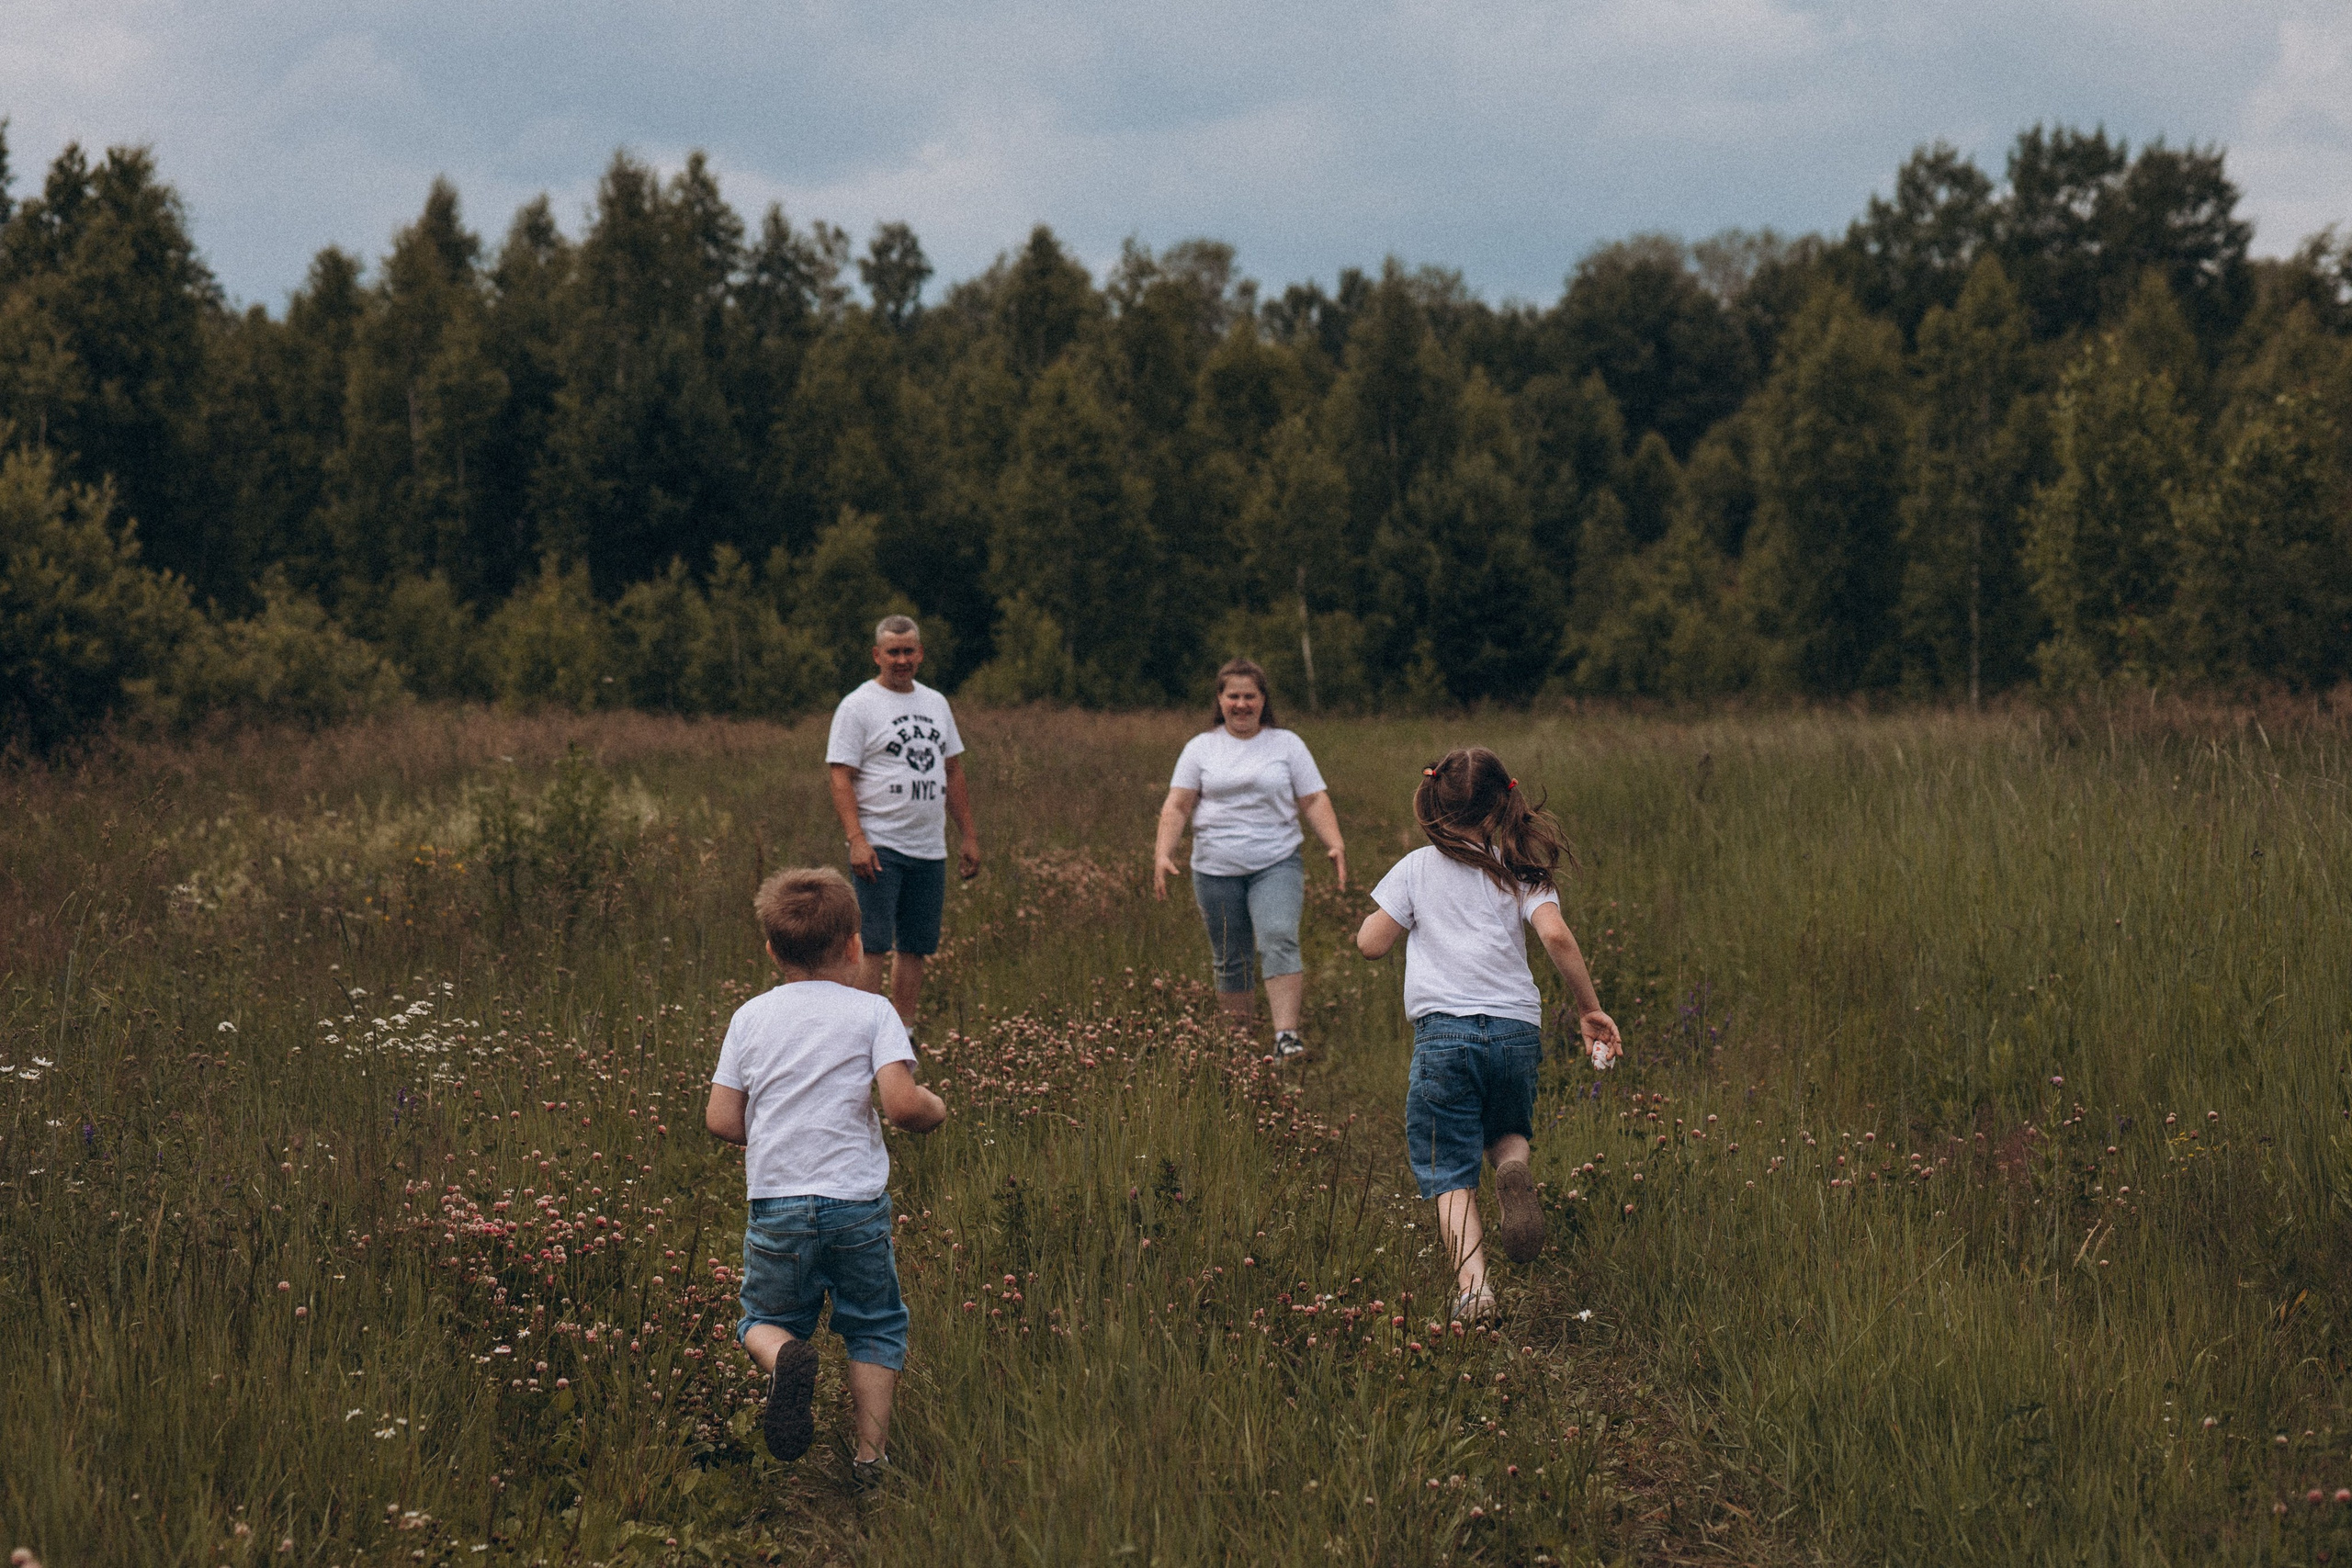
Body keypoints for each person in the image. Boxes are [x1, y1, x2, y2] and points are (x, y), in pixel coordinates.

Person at [1354, 746, 1621, 1325]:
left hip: (1444, 1037)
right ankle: (1512, 1168)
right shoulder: (1521, 869)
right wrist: (1589, 1009)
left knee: (1448, 1164)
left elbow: (1372, 944)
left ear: (1434, 804)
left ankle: (1475, 1292)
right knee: (1507, 1129)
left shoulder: (1415, 868)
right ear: (1502, 807)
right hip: (1515, 1032)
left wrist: (1386, 917)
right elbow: (1556, 937)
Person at [705, 866, 948, 1489]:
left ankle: (784, 1355)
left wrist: (775, 1133)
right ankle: (870, 1462)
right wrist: (934, 1108)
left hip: (777, 1204)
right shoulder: (874, 1012)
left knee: (761, 1318)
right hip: (855, 1207)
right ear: (855, 946)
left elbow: (721, 1118)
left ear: (771, 950)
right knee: (873, 1323)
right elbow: (901, 1105)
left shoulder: (749, 1017)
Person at [1154, 658, 1346, 1061]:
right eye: (1233, 696)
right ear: (1220, 700)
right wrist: (1163, 853)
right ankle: (1238, 1045)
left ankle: (1286, 1037)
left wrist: (1334, 843)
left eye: (1250, 696)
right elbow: (1178, 804)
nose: (1241, 704)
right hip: (1214, 868)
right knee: (1230, 955)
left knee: (1278, 936)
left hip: (1276, 861)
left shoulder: (1287, 744)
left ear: (1263, 700)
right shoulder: (1201, 747)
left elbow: (1313, 799)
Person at [826, 615, 981, 1026]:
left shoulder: (936, 703)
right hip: (880, 845)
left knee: (916, 946)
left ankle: (903, 1032)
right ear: (877, 655)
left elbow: (952, 771)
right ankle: (861, 1035)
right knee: (872, 943)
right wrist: (857, 839)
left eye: (908, 651)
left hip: (929, 847)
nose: (901, 660)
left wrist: (968, 835)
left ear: (921, 653)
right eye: (892, 652)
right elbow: (840, 775)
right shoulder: (858, 705)